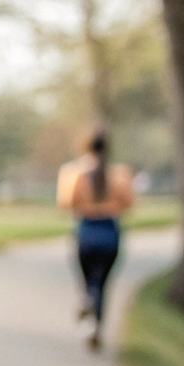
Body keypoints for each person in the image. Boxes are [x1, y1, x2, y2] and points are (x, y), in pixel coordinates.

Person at [57, 128, 135, 351]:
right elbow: (129, 203)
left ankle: (88, 306)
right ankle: (96, 326)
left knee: (88, 282)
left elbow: (65, 203)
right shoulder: (119, 174)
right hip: (109, 230)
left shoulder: (74, 173)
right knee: (101, 282)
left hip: (86, 230)